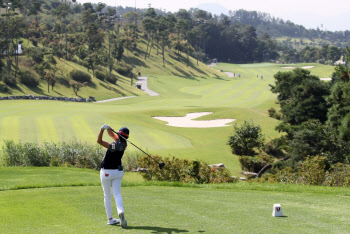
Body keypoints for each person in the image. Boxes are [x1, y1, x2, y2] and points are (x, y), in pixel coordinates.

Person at [97, 124, 129, 228]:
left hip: (106, 172)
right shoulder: (124, 144)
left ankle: (110, 219)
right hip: (118, 172)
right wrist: (110, 130)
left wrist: (102, 130)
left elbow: (99, 141)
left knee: (107, 196)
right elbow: (113, 136)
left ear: (119, 135)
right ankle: (120, 211)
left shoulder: (113, 146)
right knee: (117, 194)